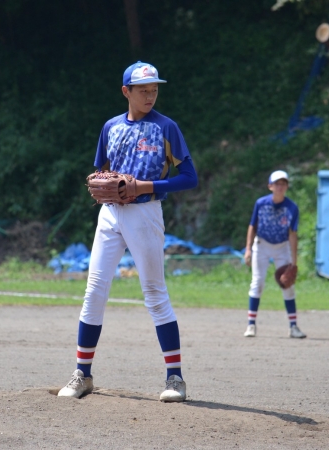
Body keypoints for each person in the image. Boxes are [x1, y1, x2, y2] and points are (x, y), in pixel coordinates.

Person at [57, 61, 198, 402]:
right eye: (143, 90)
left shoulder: (166, 127)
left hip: (145, 213)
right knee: (94, 291)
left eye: (154, 89)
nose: (150, 95)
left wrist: (144, 186)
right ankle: (82, 374)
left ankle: (175, 379)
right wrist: (100, 182)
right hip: (109, 215)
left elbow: (189, 177)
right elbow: (101, 172)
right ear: (126, 91)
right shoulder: (111, 127)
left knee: (154, 293)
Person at [243, 170, 307, 339]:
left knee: (288, 285)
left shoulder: (292, 208)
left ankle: (293, 327)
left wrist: (294, 261)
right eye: (277, 183)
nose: (280, 187)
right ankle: (251, 325)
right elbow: (252, 226)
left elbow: (293, 233)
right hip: (261, 245)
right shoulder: (261, 203)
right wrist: (248, 248)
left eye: (283, 183)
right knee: (257, 283)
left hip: (282, 247)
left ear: (287, 187)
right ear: (270, 186)